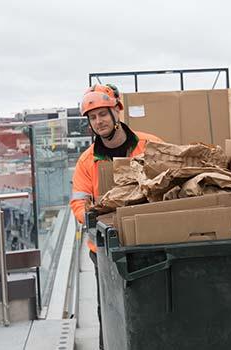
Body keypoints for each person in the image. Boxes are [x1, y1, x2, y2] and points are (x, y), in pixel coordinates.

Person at [70, 84, 161, 349]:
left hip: (148, 240)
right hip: (106, 249)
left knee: (150, 305)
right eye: (92, 117)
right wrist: (98, 219)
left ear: (116, 112)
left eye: (103, 114)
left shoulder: (149, 145)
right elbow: (78, 204)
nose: (98, 121)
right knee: (110, 310)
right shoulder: (87, 162)